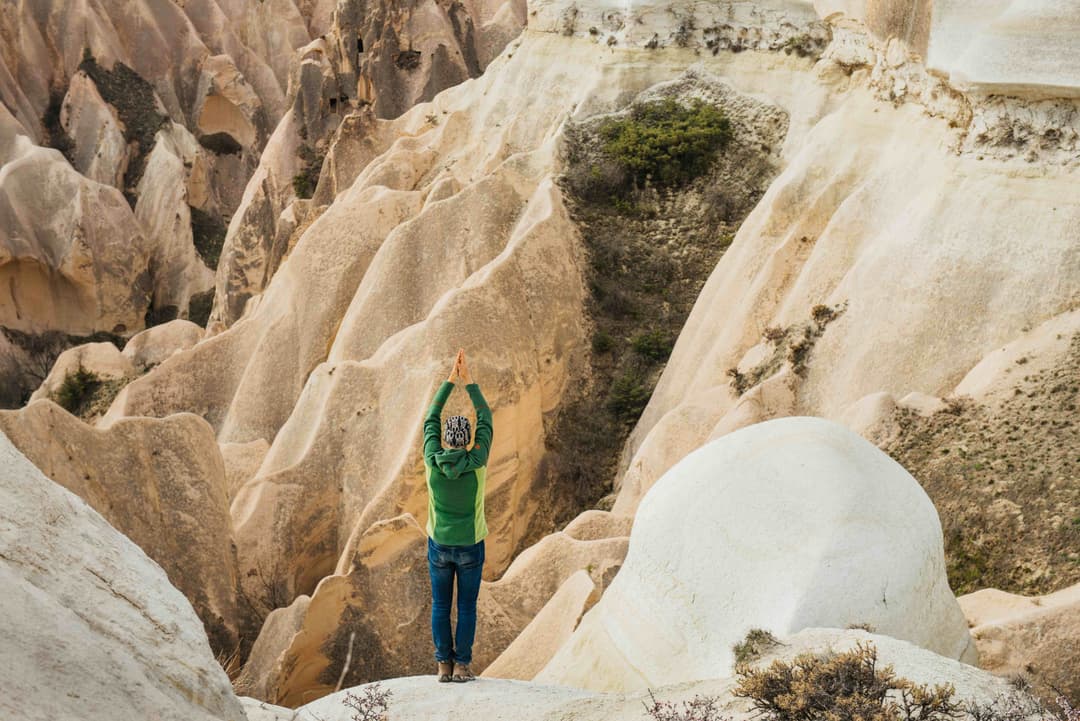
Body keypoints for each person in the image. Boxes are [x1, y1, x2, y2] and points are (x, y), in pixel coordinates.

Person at [422, 349, 493, 683]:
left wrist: (450, 380)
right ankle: (462, 665)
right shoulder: (476, 463)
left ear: (444, 441)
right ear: (467, 442)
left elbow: (431, 419)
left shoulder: (432, 462)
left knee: (440, 606)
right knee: (465, 608)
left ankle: (443, 667)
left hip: (439, 546)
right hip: (470, 545)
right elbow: (486, 419)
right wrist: (470, 382)